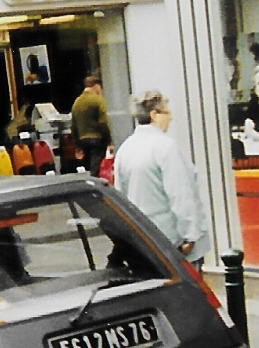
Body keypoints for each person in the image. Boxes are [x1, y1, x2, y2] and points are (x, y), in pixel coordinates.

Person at [113, 91, 210, 263]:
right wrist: (190, 235)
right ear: (154, 115)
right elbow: (180, 194)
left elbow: (120, 196)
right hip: (171, 242)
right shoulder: (166, 147)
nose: (170, 118)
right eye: (167, 113)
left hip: (143, 242)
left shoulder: (125, 149)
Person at [70, 74, 113, 177]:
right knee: (96, 169)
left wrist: (77, 145)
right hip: (96, 140)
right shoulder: (98, 100)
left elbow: (73, 126)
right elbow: (103, 123)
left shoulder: (77, 102)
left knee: (88, 169)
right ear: (96, 86)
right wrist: (108, 141)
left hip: (82, 140)